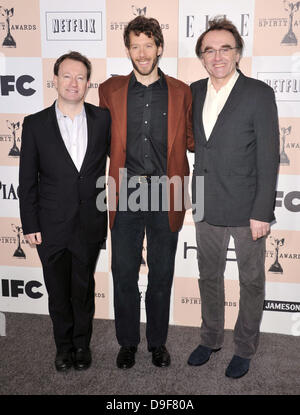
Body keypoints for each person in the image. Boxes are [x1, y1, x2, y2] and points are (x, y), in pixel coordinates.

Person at [99, 16, 194, 369]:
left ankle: (157, 342)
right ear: (127, 49)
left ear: (159, 48)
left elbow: (192, 139)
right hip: (124, 192)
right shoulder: (109, 90)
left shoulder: (183, 91)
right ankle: (127, 342)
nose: (142, 53)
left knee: (162, 274)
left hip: (167, 191)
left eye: (148, 45)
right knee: (123, 273)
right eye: (135, 45)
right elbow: (104, 142)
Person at [188, 17, 279, 378]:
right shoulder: (192, 91)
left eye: (225, 48)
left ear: (237, 52)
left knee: (251, 280)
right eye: (209, 50)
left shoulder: (258, 93)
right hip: (206, 203)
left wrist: (262, 211)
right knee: (208, 276)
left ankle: (244, 346)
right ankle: (210, 338)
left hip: (247, 207)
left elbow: (268, 156)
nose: (217, 56)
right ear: (202, 57)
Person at [19, 51, 111, 372]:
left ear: (88, 83)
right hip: (50, 227)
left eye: (81, 77)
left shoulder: (103, 120)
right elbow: (27, 181)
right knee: (58, 294)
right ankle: (63, 347)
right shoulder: (34, 125)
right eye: (67, 76)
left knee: (83, 291)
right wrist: (29, 224)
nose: (74, 83)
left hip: (89, 224)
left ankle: (82, 345)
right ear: (55, 79)